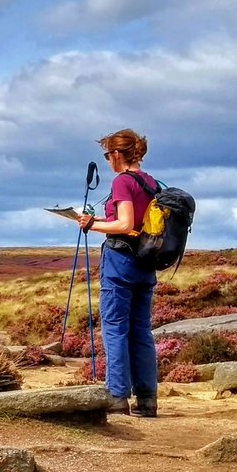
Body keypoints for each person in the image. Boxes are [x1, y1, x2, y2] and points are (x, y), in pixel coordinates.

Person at [77, 129, 158, 417]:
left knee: (114, 329)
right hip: (145, 264)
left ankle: (117, 397)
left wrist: (90, 226)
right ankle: (147, 400)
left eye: (107, 154)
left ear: (116, 154)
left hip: (120, 263)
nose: (108, 160)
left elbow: (124, 224)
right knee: (140, 331)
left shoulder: (123, 181)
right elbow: (135, 222)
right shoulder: (150, 183)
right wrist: (97, 219)